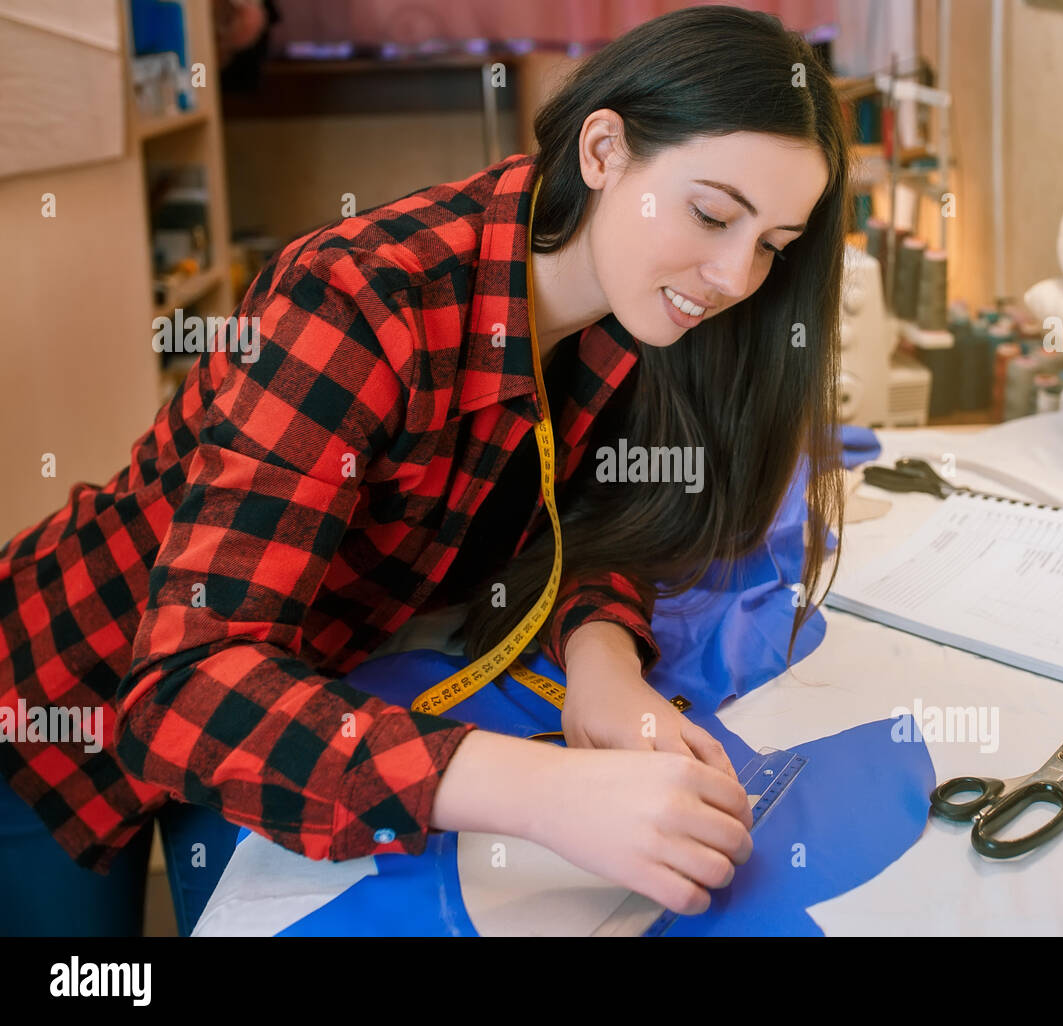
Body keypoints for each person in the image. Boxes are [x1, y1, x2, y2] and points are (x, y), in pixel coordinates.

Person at [0, 4, 847, 935]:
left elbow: (590, 520)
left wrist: (606, 661)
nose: (733, 276)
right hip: (68, 691)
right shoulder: (358, 301)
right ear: (603, 151)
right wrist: (541, 793)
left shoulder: (639, 308)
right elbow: (184, 693)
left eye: (770, 245)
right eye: (712, 214)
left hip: (295, 684)